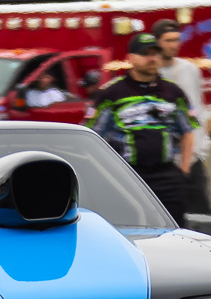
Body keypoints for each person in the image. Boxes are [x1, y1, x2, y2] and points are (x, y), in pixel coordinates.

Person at [84, 32, 198, 227]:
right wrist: (105, 173)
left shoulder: (173, 92)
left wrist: (184, 169)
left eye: (155, 53)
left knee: (175, 230)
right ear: (131, 58)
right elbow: (92, 136)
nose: (152, 58)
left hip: (167, 176)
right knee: (131, 230)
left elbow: (187, 130)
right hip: (128, 175)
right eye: (145, 53)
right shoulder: (111, 93)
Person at [151, 18, 211, 215]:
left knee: (200, 208)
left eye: (176, 40)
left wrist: (200, 149)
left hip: (191, 152)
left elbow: (198, 109)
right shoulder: (151, 71)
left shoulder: (189, 70)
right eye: (168, 40)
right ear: (157, 42)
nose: (173, 45)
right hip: (161, 156)